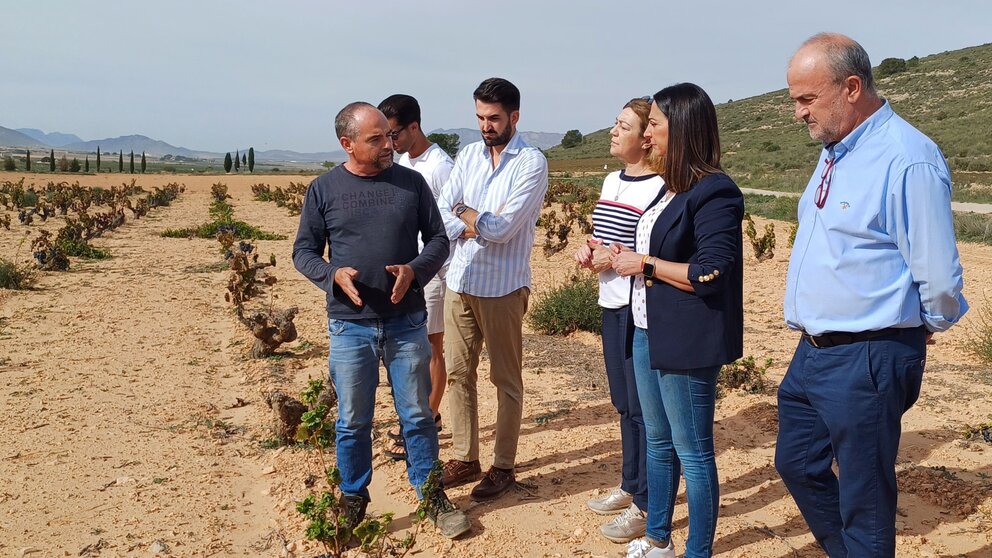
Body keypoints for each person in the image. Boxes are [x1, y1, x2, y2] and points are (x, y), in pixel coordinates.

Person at [777, 33, 968, 558]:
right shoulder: (835, 149)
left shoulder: (908, 158)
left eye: (807, 99)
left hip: (867, 354)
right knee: (796, 461)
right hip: (813, 351)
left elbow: (941, 277)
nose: (797, 113)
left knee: (864, 496)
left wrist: (916, 325)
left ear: (852, 87)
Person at [291, 101, 470, 539]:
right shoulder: (324, 190)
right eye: (376, 139)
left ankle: (431, 495)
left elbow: (439, 240)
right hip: (350, 325)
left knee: (416, 416)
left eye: (389, 136)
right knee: (353, 419)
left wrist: (415, 269)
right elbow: (304, 252)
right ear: (347, 143)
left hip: (407, 321)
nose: (388, 144)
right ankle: (354, 496)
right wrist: (331, 275)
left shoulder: (411, 184)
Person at [612, 83, 744, 558]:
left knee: (693, 451)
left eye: (654, 125)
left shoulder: (716, 191)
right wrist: (619, 256)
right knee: (659, 440)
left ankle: (698, 551)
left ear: (682, 128)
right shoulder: (672, 188)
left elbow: (712, 272)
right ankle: (658, 538)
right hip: (650, 331)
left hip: (688, 340)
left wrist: (643, 264)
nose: (646, 135)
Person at [436, 77, 549, 502]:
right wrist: (470, 220)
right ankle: (465, 457)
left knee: (505, 379)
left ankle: (503, 465)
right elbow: (439, 215)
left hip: (502, 287)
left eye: (494, 118)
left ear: (514, 117)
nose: (486, 125)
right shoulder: (466, 155)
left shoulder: (531, 163)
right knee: (457, 374)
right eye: (480, 117)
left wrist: (464, 214)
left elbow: (501, 231)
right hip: (460, 281)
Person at [574, 97, 663, 543]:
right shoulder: (612, 180)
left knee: (645, 409)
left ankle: (648, 502)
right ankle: (630, 485)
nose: (612, 131)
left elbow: (654, 250)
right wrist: (589, 250)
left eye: (623, 125)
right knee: (625, 404)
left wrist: (616, 256)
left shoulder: (661, 187)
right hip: (610, 301)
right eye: (614, 123)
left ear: (646, 138)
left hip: (639, 307)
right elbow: (604, 239)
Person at [377, 94, 456, 460]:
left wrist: (439, 266)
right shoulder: (404, 164)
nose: (389, 143)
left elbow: (455, 221)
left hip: (436, 270)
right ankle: (420, 416)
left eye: (393, 134)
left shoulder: (439, 166)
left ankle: (431, 417)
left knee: (431, 347)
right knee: (414, 347)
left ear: (414, 127)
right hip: (411, 270)